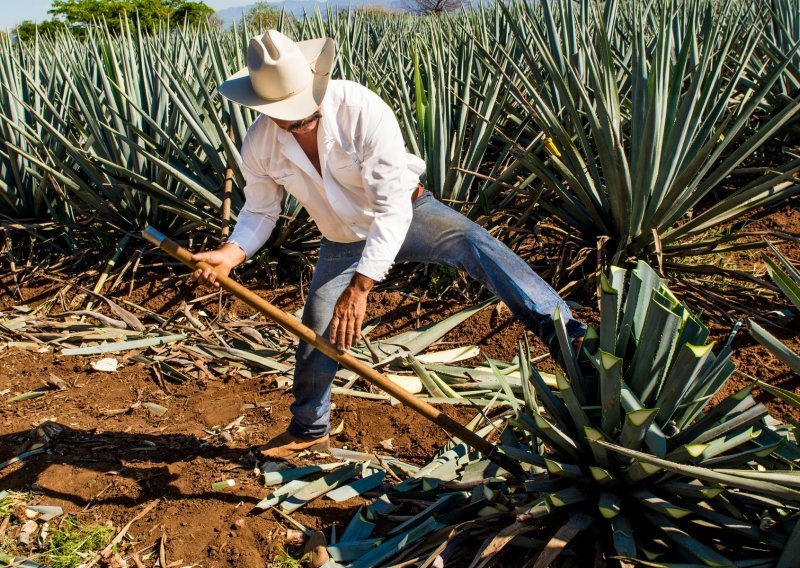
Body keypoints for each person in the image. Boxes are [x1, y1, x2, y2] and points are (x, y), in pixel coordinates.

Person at [191, 30, 586, 458]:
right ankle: (310, 429)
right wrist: (231, 254)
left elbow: (391, 209)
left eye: (306, 112)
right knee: (317, 329)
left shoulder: (360, 109)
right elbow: (260, 211)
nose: (300, 121)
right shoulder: (260, 143)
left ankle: (572, 339)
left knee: (479, 247)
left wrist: (360, 289)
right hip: (343, 238)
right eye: (289, 118)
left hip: (408, 212)